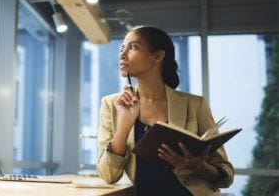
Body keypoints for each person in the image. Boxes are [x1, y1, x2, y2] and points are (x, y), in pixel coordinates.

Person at [97, 25, 234, 196]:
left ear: (157, 56)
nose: (122, 55)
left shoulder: (195, 105)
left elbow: (226, 175)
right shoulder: (112, 105)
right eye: (122, 48)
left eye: (132, 47)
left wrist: (199, 167)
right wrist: (124, 124)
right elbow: (108, 175)